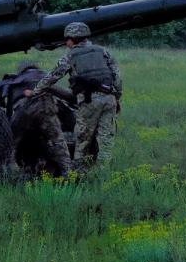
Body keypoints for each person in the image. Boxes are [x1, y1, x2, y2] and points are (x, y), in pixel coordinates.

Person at [26, 21, 122, 166]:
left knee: (83, 139)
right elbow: (117, 77)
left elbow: (53, 76)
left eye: (67, 39)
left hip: (89, 101)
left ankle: (78, 172)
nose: (66, 42)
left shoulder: (70, 56)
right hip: (109, 99)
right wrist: (117, 98)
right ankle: (103, 173)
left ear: (72, 39)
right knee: (106, 139)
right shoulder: (103, 51)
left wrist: (35, 91)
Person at [2, 63, 73, 176]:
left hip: (24, 110)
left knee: (12, 143)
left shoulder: (17, 79)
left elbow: (8, 104)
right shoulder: (43, 75)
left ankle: (9, 173)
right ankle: (68, 173)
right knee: (58, 141)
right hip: (46, 108)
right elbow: (63, 94)